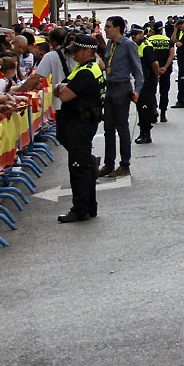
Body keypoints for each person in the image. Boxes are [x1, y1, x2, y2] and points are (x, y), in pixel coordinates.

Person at [53, 34, 104, 223]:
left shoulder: (86, 72)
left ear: (88, 52)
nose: (73, 54)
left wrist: (60, 88)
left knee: (78, 168)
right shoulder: (86, 67)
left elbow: (63, 94)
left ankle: (80, 209)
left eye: (77, 51)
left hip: (79, 124)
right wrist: (60, 88)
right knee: (84, 165)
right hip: (81, 123)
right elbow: (60, 89)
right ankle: (89, 206)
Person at [98, 16, 143, 181]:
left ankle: (125, 165)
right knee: (108, 129)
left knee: (122, 128)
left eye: (108, 26)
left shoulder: (129, 45)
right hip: (110, 88)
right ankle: (109, 163)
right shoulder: (110, 44)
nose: (105, 29)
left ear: (117, 28)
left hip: (122, 88)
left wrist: (137, 90)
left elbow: (138, 70)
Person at [133, 25, 158, 144]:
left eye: (136, 34)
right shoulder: (137, 46)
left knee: (144, 107)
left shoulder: (145, 46)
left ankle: (146, 134)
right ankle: (143, 131)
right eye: (132, 34)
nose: (133, 36)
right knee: (141, 107)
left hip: (147, 81)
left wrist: (156, 77)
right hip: (141, 80)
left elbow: (155, 64)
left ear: (142, 34)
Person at [145, 24, 175, 122]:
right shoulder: (168, 40)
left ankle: (153, 111)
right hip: (165, 70)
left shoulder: (148, 41)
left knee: (151, 92)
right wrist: (165, 67)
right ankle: (163, 114)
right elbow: (171, 55)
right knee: (164, 92)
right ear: (161, 30)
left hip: (152, 70)